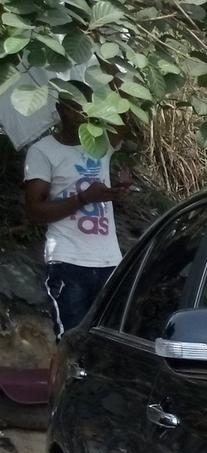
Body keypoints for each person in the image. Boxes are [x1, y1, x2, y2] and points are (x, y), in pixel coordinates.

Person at [22, 82, 127, 337]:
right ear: (59, 109)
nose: (82, 113)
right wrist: (83, 198)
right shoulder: (42, 151)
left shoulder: (101, 142)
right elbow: (34, 212)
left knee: (110, 344)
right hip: (68, 262)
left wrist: (118, 193)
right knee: (72, 344)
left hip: (111, 261)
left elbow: (124, 115)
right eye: (75, 107)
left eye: (87, 106)